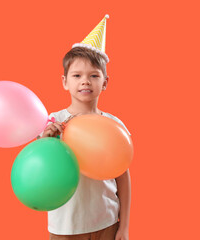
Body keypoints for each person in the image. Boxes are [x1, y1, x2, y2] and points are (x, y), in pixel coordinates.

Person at [39, 15, 131, 240]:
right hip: (65, 226)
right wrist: (47, 141)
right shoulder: (53, 120)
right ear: (64, 81)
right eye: (77, 75)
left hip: (107, 221)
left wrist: (124, 226)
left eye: (93, 76)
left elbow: (122, 175)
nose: (85, 81)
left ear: (105, 82)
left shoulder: (114, 125)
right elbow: (42, 171)